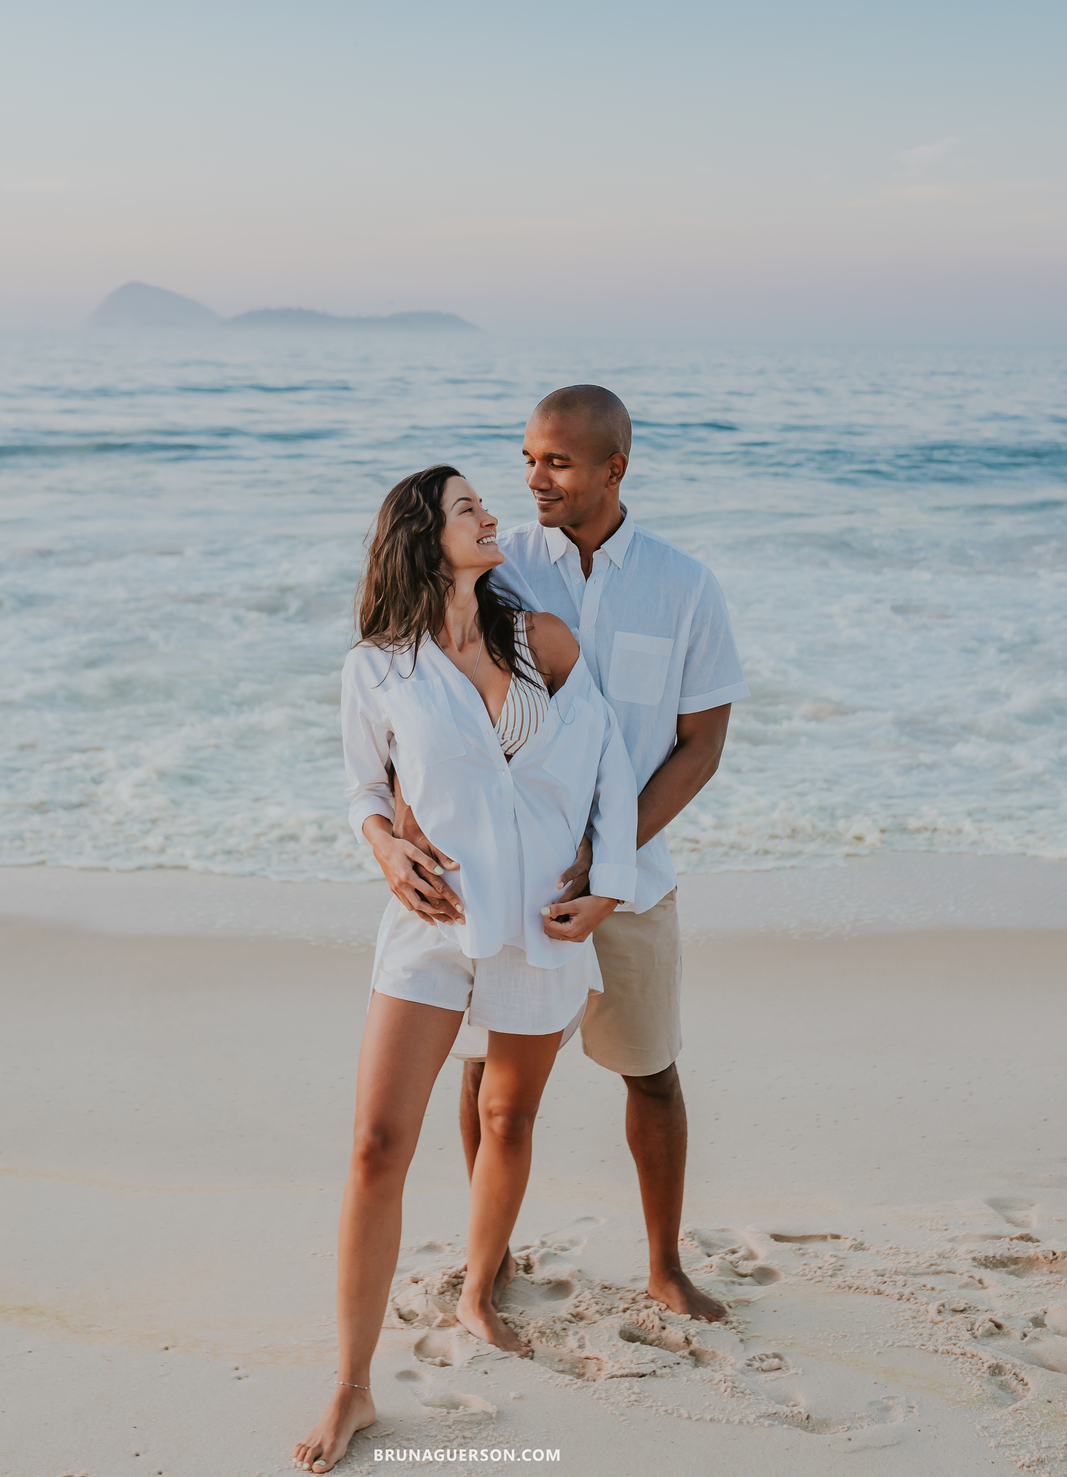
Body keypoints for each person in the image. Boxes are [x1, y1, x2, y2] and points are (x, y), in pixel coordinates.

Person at [293, 464, 637, 1475]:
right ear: (422, 534)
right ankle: (352, 1388)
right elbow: (362, 783)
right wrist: (383, 844)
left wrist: (609, 882)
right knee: (374, 1143)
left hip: (544, 923)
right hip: (431, 923)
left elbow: (611, 761)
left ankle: (479, 1287)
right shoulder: (379, 666)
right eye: (467, 508)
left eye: (486, 504)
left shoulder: (541, 640)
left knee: (506, 1118)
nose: (492, 516)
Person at [389, 387, 748, 1323]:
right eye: (526, 459)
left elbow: (701, 743)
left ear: (614, 469)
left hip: (635, 882)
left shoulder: (684, 585)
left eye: (555, 461)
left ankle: (665, 1265)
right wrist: (398, 827)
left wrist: (610, 855)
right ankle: (490, 1255)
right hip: (515, 885)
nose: (533, 479)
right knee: (489, 1082)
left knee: (652, 1071)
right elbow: (423, 701)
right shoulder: (501, 574)